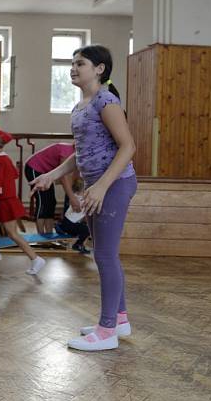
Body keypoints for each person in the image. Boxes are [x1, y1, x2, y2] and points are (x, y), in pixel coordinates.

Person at [30, 44, 136, 351]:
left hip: (113, 185)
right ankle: (119, 319)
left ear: (99, 69)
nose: (73, 68)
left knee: (103, 255)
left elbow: (128, 146)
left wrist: (102, 186)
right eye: (72, 63)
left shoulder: (107, 101)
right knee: (105, 253)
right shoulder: (81, 105)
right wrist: (52, 174)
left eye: (81, 63)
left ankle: (106, 331)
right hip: (95, 185)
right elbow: (82, 153)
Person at [0, 123, 46, 276]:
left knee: (13, 234)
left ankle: (36, 259)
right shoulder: (6, 159)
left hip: (6, 202)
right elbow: (14, 175)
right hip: (2, 201)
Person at [24, 142, 80, 234]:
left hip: (46, 172)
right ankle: (41, 235)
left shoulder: (76, 154)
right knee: (43, 201)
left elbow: (71, 176)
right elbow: (64, 177)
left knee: (51, 202)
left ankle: (49, 234)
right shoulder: (68, 151)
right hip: (34, 168)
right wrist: (72, 198)